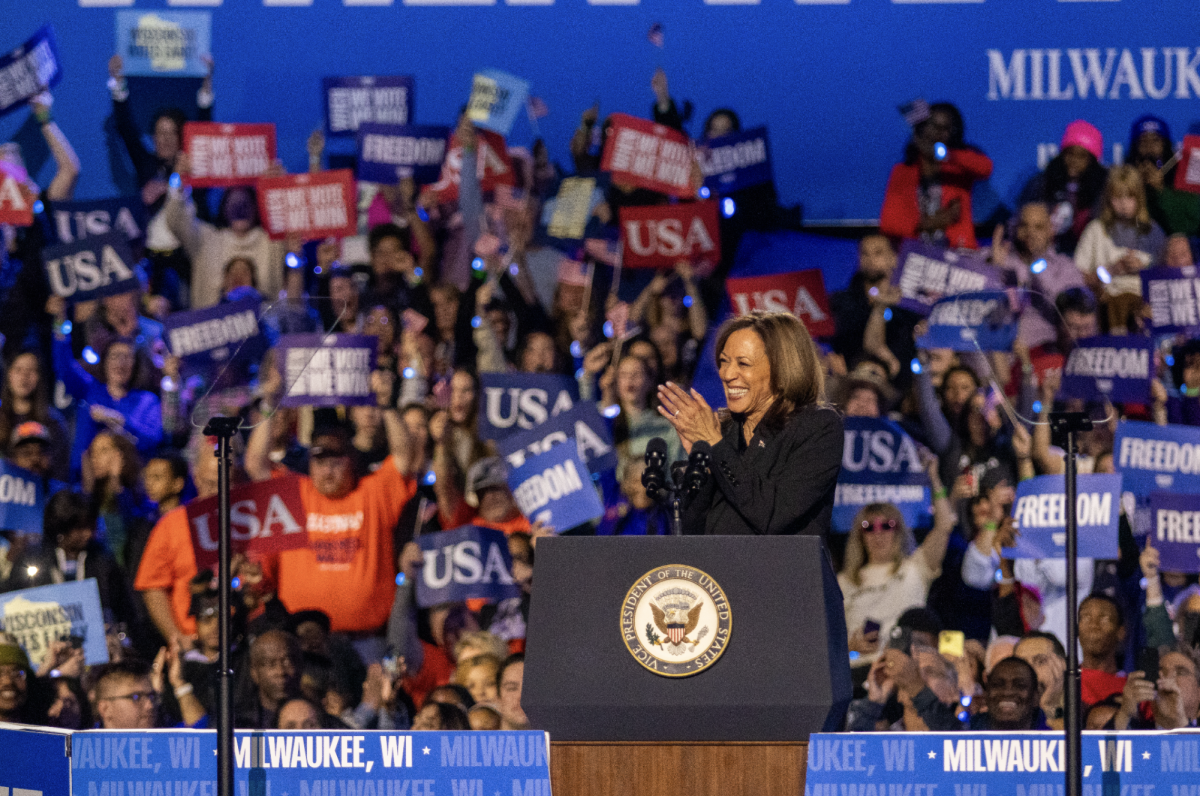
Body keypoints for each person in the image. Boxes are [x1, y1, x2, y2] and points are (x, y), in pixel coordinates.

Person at [660, 311, 843, 537]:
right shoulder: (723, 431)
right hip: (717, 571)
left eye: (743, 363)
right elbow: (692, 534)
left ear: (782, 368)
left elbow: (772, 516)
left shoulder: (817, 426)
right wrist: (703, 469)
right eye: (724, 362)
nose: (727, 374)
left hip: (782, 571)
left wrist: (715, 447)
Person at [879, 103, 993, 249]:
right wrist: (929, 223)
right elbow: (889, 224)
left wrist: (946, 154)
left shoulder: (958, 170)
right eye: (934, 126)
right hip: (915, 254)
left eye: (946, 129)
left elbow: (986, 168)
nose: (939, 133)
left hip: (958, 253)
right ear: (921, 128)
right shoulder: (902, 172)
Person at [1020, 120, 1108, 255]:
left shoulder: (1103, 188)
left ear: (1092, 160)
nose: (1074, 160)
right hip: (1045, 256)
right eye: (1070, 153)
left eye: (1081, 156)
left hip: (1089, 256)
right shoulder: (1042, 183)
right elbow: (1023, 219)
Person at [237, 630, 302, 729]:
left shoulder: (317, 715)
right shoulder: (234, 721)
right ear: (254, 672)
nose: (280, 672)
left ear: (300, 667)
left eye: (287, 663)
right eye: (271, 664)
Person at [967, 657, 1048, 730]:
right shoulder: (963, 734)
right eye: (997, 685)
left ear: (1036, 697)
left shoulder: (1055, 739)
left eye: (1019, 685)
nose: (1007, 692)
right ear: (986, 694)